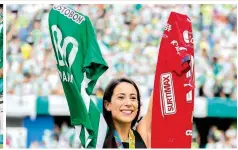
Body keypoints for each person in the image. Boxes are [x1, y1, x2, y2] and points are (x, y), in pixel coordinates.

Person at [102, 78, 152, 148]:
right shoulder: (98, 139)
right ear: (107, 105)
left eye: (133, 98)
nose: (128, 103)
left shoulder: (142, 134)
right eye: (121, 97)